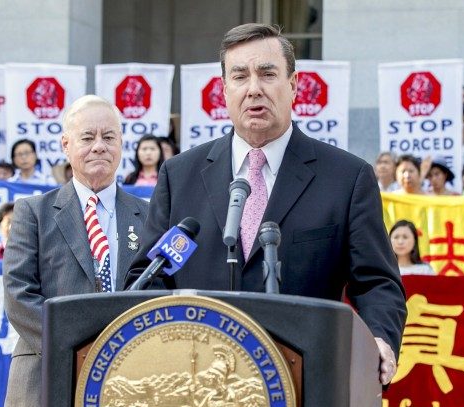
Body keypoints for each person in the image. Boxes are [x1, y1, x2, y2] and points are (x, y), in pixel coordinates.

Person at [125, 23, 406, 387]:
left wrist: (380, 339)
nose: (253, 89)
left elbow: (376, 283)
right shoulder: (180, 175)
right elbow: (149, 277)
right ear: (224, 90)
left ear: (293, 85)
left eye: (268, 74)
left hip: (303, 383)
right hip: (195, 385)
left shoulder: (346, 178)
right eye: (239, 76)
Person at [3, 95, 149, 407]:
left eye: (109, 137)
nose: (99, 146)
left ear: (121, 144)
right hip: (43, 382)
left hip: (127, 387)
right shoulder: (33, 212)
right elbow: (18, 294)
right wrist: (77, 349)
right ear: (66, 145)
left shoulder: (148, 214)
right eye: (87, 137)